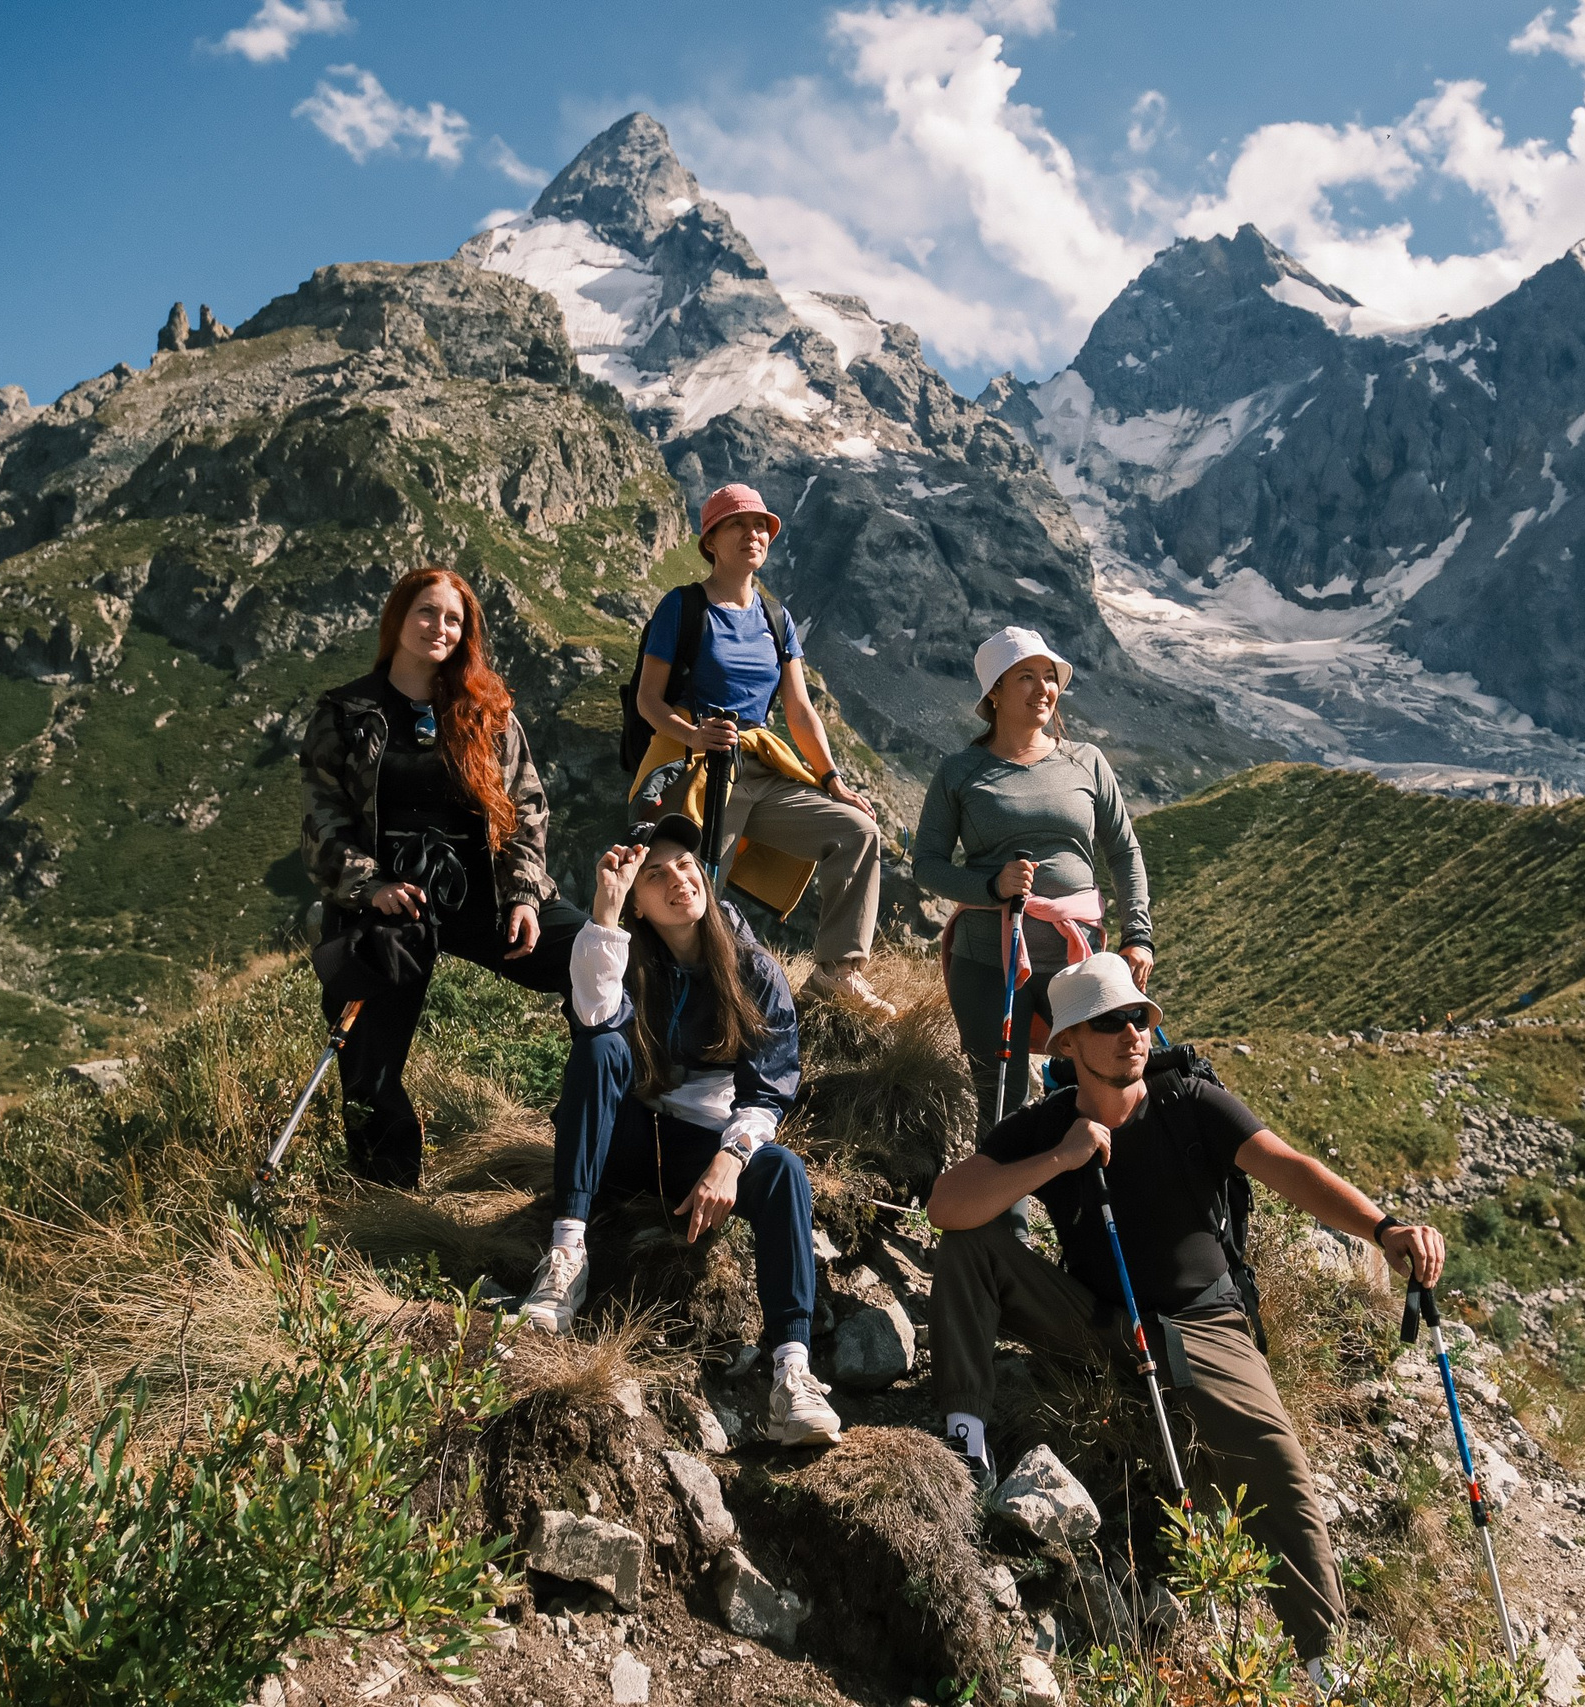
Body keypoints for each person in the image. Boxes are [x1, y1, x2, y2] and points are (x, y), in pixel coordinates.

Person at [924, 953, 1448, 1671]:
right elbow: (948, 1206)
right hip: (1100, 1318)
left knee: (1275, 1462)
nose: (1133, 1032)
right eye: (1110, 1021)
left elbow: (1291, 1168)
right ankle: (965, 1441)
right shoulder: (1046, 1126)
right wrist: (1060, 1159)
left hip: (1206, 1324)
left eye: (1139, 1016)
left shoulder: (1189, 1102)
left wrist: (1383, 1229)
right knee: (969, 1248)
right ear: (1069, 1042)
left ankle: (1325, 1660)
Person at [519, 815, 842, 1448]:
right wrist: (605, 916)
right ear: (638, 899)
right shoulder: (627, 951)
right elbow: (592, 1018)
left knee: (783, 1170)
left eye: (685, 865)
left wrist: (730, 1159)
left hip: (700, 1146)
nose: (677, 880)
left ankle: (791, 1374)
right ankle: (566, 1257)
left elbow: (767, 1091)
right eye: (655, 873)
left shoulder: (752, 969)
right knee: (600, 1049)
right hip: (629, 1137)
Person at [299, 567, 588, 1189]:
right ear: (398, 620)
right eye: (427, 613)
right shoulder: (346, 713)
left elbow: (526, 811)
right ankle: (390, 1200)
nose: (440, 627)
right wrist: (369, 885)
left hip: (479, 894)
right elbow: (323, 820)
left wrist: (524, 896)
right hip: (388, 906)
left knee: (596, 960)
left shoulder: (487, 713)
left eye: (454, 619)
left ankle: (592, 1131)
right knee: (368, 1063)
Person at [633, 484, 893, 1019]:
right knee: (693, 884)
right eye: (739, 525)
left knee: (857, 831)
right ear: (711, 540)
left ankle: (835, 973)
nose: (754, 534)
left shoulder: (777, 619)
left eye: (761, 527)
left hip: (760, 764)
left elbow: (798, 710)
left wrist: (831, 780)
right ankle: (664, 995)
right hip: (697, 766)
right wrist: (693, 736)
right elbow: (648, 701)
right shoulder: (681, 607)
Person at [914, 627, 1151, 1126]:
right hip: (985, 960)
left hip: (1078, 959)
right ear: (994, 692)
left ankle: (1095, 1200)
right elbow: (927, 864)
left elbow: (1124, 851)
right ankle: (1003, 1203)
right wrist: (991, 887)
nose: (1044, 688)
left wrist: (1139, 936)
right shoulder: (960, 770)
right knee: (1002, 1105)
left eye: (1050, 677)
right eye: (1026, 676)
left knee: (1103, 1096)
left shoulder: (1087, 760)